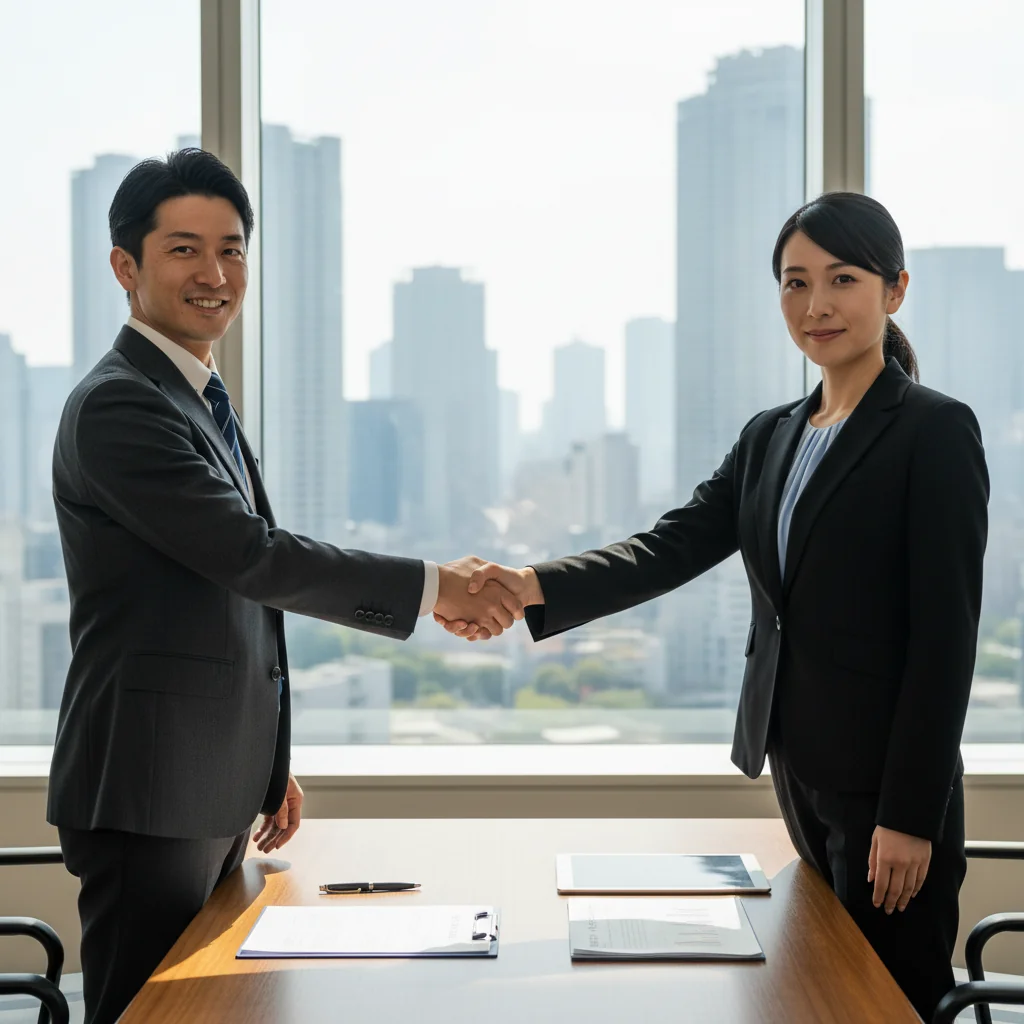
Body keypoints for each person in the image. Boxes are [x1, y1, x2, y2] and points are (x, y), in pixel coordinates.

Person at [439, 191, 989, 1020]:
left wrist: (911, 816)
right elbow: (670, 546)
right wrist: (530, 585)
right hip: (799, 767)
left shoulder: (933, 431)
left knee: (888, 1002)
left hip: (888, 791)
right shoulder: (772, 435)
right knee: (816, 993)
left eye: (842, 279)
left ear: (895, 289)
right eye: (795, 283)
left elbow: (946, 639)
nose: (816, 304)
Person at [49, 148, 524, 1024]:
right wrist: (434, 587)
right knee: (147, 1013)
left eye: (231, 250)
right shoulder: (121, 405)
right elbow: (252, 557)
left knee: (214, 1008)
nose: (215, 274)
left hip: (201, 778)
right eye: (184, 250)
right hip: (149, 790)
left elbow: (227, 604)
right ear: (125, 267)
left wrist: (263, 759)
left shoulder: (195, 397)